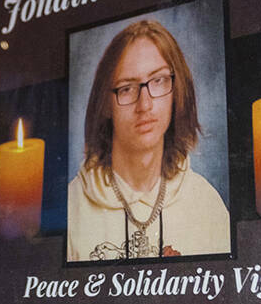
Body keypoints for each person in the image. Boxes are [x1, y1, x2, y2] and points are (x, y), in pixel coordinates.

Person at [67, 19, 231, 262]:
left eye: (159, 81)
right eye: (126, 88)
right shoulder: (72, 208)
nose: (145, 104)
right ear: (106, 105)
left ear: (177, 91)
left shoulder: (206, 203)